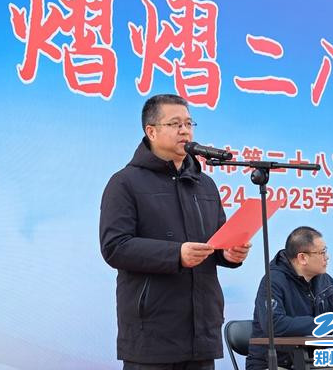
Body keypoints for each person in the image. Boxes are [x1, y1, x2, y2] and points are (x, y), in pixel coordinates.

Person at [99, 94, 251, 370]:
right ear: (151, 131)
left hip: (202, 331)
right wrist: (176, 254)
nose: (185, 130)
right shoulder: (124, 183)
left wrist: (229, 254)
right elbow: (115, 247)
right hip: (152, 333)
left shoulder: (205, 184)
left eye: (189, 123)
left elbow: (216, 243)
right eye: (175, 124)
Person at [246, 226, 333, 370]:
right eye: (322, 252)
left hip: (312, 361)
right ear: (302, 258)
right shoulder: (273, 281)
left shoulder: (325, 281)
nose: (327, 257)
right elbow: (273, 324)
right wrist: (323, 324)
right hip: (276, 363)